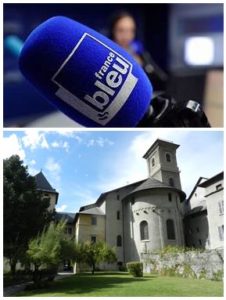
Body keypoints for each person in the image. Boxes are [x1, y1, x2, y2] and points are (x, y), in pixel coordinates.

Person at [109, 11, 168, 90]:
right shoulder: (107, 55)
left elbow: (161, 79)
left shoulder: (141, 55)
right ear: (112, 31)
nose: (126, 36)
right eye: (121, 30)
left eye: (130, 30)